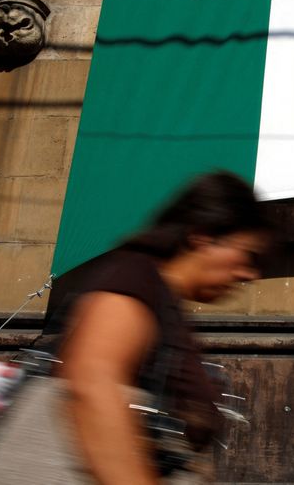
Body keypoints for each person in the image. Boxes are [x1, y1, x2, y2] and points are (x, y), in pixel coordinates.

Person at [37, 171, 272, 484]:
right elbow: (91, 387)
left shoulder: (162, 298)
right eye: (248, 255)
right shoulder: (135, 279)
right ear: (203, 237)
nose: (250, 274)